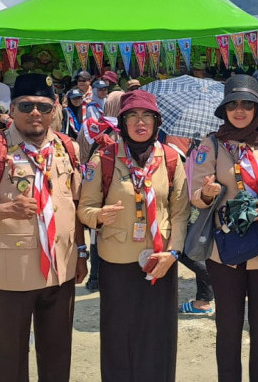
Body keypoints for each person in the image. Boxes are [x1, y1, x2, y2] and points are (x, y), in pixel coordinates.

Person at [0, 73, 87, 382]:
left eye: (43, 106)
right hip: (9, 275)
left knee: (57, 356)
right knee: (9, 361)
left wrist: (81, 253)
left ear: (55, 109)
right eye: (26, 105)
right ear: (12, 110)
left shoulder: (68, 148)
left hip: (60, 271)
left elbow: (76, 207)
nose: (35, 113)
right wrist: (5, 209)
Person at [78, 90, 189, 382]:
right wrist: (98, 216)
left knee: (158, 334)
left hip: (160, 260)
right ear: (122, 122)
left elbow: (180, 212)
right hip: (116, 262)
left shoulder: (170, 158)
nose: (140, 123)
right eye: (132, 116)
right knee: (118, 333)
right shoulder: (104, 157)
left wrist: (174, 252)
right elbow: (84, 208)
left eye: (147, 116)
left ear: (156, 122)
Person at [190, 74, 258, 382]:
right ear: (225, 109)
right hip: (225, 249)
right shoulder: (213, 144)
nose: (240, 110)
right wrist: (206, 194)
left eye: (247, 104)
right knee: (228, 328)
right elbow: (195, 194)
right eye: (233, 104)